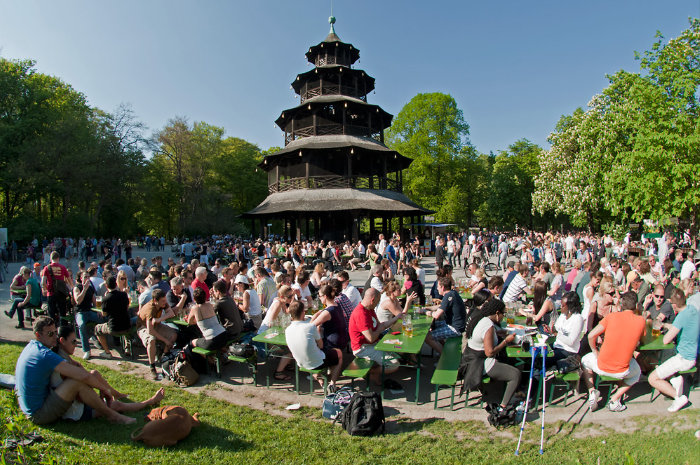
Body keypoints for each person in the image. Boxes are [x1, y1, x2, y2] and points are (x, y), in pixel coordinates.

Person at [14, 316, 135, 425]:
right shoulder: (44, 354)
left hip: (30, 408)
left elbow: (74, 367)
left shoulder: (32, 347)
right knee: (76, 382)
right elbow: (83, 376)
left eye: (56, 333)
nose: (55, 337)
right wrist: (104, 389)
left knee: (80, 379)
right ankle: (113, 416)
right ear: (38, 335)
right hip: (38, 414)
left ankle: (111, 407)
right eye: (50, 334)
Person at [51, 325, 164, 421]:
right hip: (76, 412)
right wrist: (98, 397)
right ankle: (150, 401)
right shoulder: (64, 365)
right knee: (116, 405)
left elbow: (81, 373)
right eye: (73, 341)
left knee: (94, 374)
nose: (76, 344)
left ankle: (116, 394)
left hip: (76, 403)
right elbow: (79, 395)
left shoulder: (61, 357)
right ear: (62, 341)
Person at [581, 291, 646, 412]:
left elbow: (591, 336)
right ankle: (615, 399)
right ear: (636, 305)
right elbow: (643, 340)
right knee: (637, 373)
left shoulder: (611, 317)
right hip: (623, 370)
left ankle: (592, 391)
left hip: (602, 365)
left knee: (584, 360)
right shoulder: (641, 320)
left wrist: (595, 350)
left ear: (621, 305)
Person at [462, 298, 520, 410]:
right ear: (497, 313)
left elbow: (483, 337)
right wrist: (506, 341)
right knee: (515, 375)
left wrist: (497, 333)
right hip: (478, 364)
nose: (504, 316)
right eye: (503, 313)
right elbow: (489, 352)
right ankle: (503, 407)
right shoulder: (488, 326)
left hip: (470, 357)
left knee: (508, 361)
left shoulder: (482, 319)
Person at [647, 288, 699, 412]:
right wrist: (665, 325)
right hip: (691, 355)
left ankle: (678, 398)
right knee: (661, 362)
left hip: (683, 358)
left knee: (652, 378)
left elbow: (666, 340)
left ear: (674, 305)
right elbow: (678, 327)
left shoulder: (682, 317)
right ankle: (675, 380)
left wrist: (662, 329)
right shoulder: (692, 310)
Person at [347, 288, 404, 391]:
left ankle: (375, 373)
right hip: (362, 349)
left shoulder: (370, 309)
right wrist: (380, 329)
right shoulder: (361, 313)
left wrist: (397, 317)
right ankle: (373, 373)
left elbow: (380, 326)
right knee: (394, 364)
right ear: (373, 300)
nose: (377, 305)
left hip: (373, 344)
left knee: (398, 353)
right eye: (377, 302)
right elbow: (370, 338)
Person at [286, 300, 343, 393]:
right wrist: (318, 329)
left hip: (300, 362)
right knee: (339, 353)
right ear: (303, 312)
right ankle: (333, 383)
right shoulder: (310, 327)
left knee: (309, 355)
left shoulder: (287, 330)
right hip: (315, 362)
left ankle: (322, 382)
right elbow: (321, 345)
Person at [137, 289, 177, 380]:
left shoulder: (162, 303)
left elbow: (171, 313)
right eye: (162, 301)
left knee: (174, 334)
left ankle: (164, 356)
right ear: (155, 300)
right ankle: (152, 366)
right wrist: (165, 340)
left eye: (165, 300)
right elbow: (150, 330)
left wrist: (159, 319)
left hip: (156, 324)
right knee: (151, 340)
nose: (165, 302)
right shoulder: (150, 309)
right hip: (143, 327)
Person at [424, 277, 467, 355]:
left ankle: (444, 355)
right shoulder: (452, 293)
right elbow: (440, 307)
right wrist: (426, 308)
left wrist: (427, 313)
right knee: (432, 328)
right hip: (452, 323)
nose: (437, 288)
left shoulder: (449, 296)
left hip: (456, 328)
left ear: (442, 287)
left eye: (438, 286)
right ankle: (445, 349)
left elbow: (436, 315)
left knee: (428, 337)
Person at [94, 276, 132, 359]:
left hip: (113, 328)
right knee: (125, 321)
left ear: (106, 286)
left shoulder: (106, 299)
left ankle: (107, 352)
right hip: (127, 326)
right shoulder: (124, 295)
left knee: (97, 328)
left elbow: (104, 314)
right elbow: (127, 308)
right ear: (116, 284)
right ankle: (127, 347)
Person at [72, 271, 102, 360]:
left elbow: (94, 302)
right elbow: (78, 301)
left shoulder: (90, 288)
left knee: (103, 319)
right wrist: (84, 289)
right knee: (81, 325)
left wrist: (98, 310)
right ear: (81, 278)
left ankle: (98, 340)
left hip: (90, 311)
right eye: (85, 277)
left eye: (88, 277)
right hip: (80, 312)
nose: (87, 279)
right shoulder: (77, 288)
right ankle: (86, 350)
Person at [309, 284, 349, 350]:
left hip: (333, 344)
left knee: (313, 340)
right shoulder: (337, 305)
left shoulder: (327, 312)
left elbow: (310, 327)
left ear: (325, 296)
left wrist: (314, 316)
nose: (319, 298)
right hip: (343, 340)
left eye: (320, 296)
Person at [550, 292, 585, 365]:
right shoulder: (563, 315)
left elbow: (570, 342)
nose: (560, 307)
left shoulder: (577, 319)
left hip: (568, 351)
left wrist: (556, 334)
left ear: (570, 307)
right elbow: (556, 328)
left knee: (543, 359)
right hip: (557, 345)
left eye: (563, 306)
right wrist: (550, 330)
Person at [41, 251, 73, 323]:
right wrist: (72, 288)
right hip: (61, 293)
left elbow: (43, 282)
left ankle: (52, 329)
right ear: (58, 258)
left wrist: (47, 289)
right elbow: (69, 280)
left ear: (50, 258)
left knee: (51, 313)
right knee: (62, 313)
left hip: (51, 293)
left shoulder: (46, 268)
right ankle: (63, 329)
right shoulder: (63, 267)